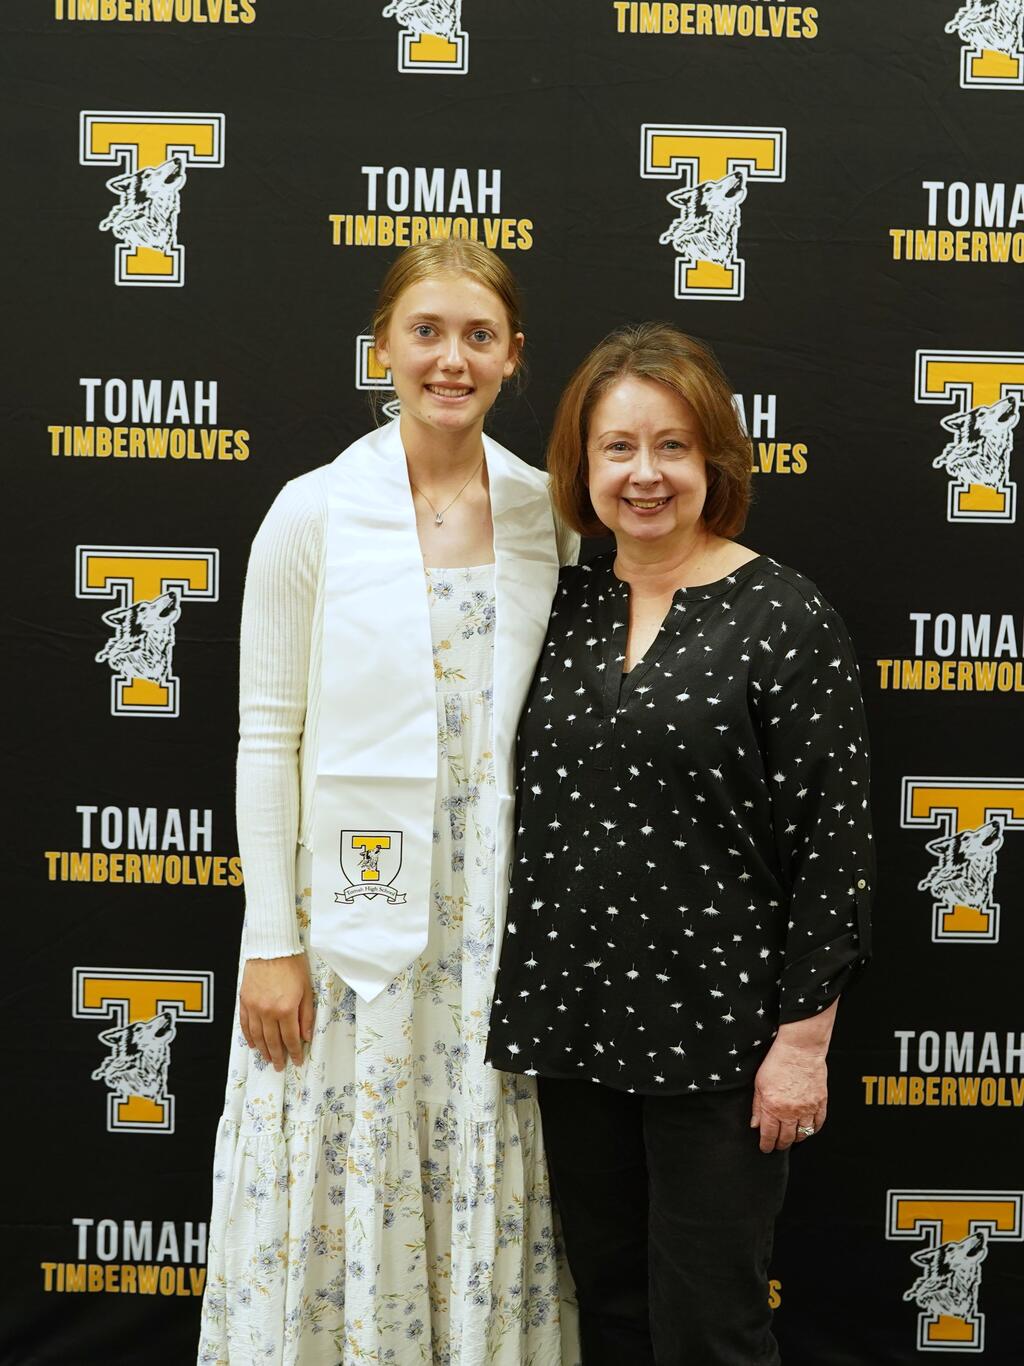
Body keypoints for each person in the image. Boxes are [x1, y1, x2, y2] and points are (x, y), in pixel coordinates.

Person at [199, 238, 578, 1366]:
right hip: (343, 931)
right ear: (382, 350)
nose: (450, 359)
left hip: (489, 929)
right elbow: (268, 735)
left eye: (477, 336)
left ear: (513, 355)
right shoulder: (311, 513)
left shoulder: (546, 516)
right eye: (427, 332)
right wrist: (272, 940)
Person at [485, 323, 873, 1365]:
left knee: (711, 1326)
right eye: (617, 448)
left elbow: (832, 848)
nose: (644, 474)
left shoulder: (784, 616)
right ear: (581, 466)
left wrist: (802, 1046)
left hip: (723, 1041)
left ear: (715, 461)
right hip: (574, 1026)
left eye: (672, 446)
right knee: (610, 1310)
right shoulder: (557, 604)